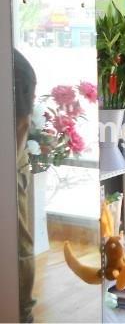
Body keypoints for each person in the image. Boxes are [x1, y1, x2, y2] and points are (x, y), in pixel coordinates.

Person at [13, 49, 37, 323]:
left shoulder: (16, 66)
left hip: (13, 161)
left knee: (19, 243)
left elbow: (22, 122)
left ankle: (23, 313)